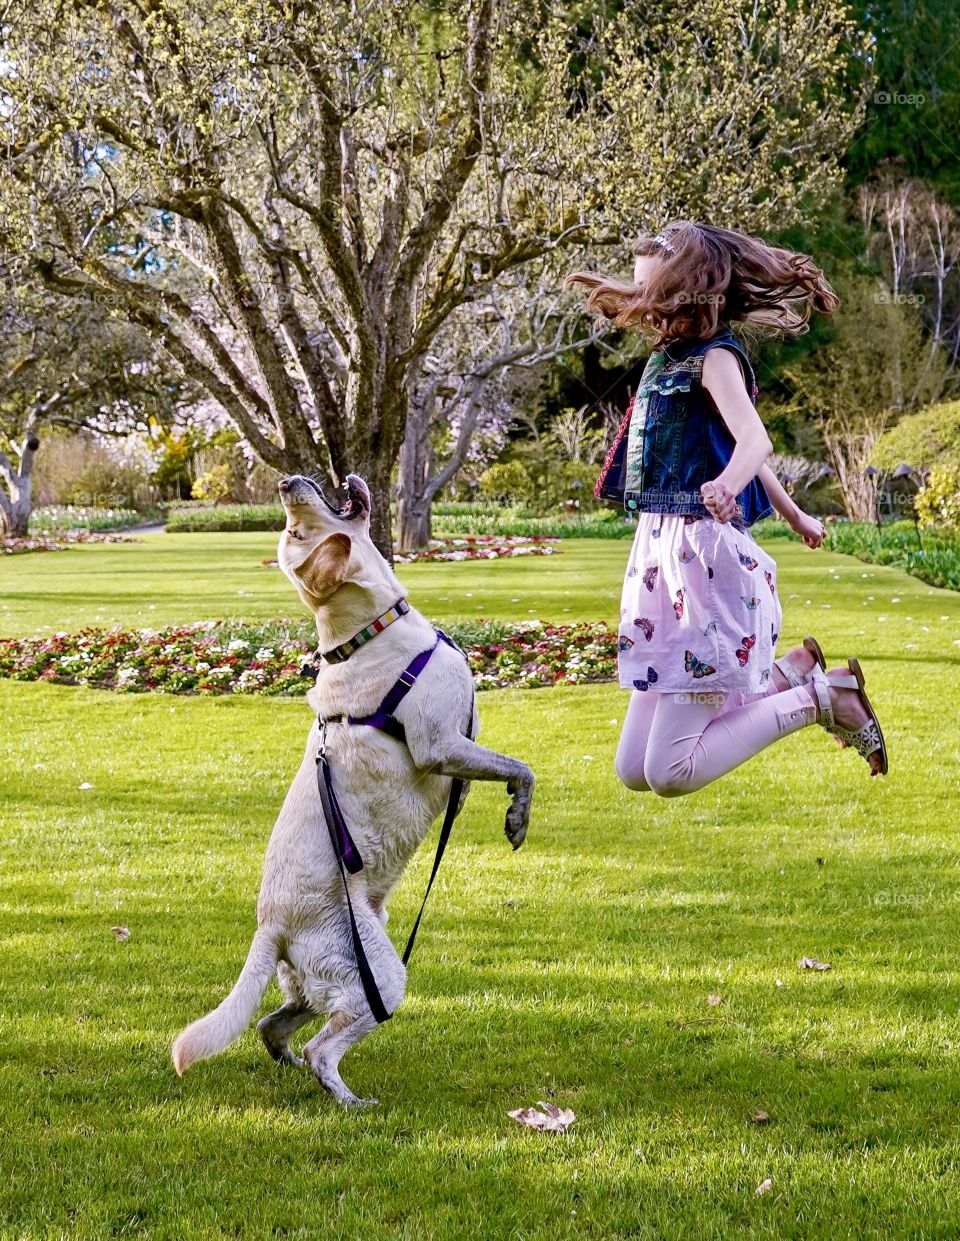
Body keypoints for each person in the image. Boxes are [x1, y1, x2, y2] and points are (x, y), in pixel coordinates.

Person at [563, 220, 888, 796]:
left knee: (670, 771)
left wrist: (728, 487)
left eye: (650, 291)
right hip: (660, 565)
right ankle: (791, 675)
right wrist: (792, 512)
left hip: (702, 565)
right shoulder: (667, 359)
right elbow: (726, 442)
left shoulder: (716, 359)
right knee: (633, 769)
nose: (642, 304)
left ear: (685, 289)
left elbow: (753, 442)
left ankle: (822, 699)